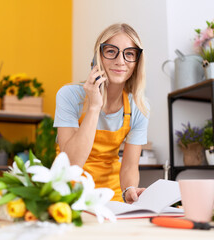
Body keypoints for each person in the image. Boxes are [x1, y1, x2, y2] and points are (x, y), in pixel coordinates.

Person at [53, 23, 149, 203]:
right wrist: (94, 107)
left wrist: (129, 190)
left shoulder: (139, 107)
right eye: (111, 51)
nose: (120, 61)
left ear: (137, 63)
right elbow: (71, 163)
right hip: (68, 191)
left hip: (110, 195)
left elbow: (129, 166)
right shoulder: (69, 95)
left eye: (129, 54)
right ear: (98, 57)